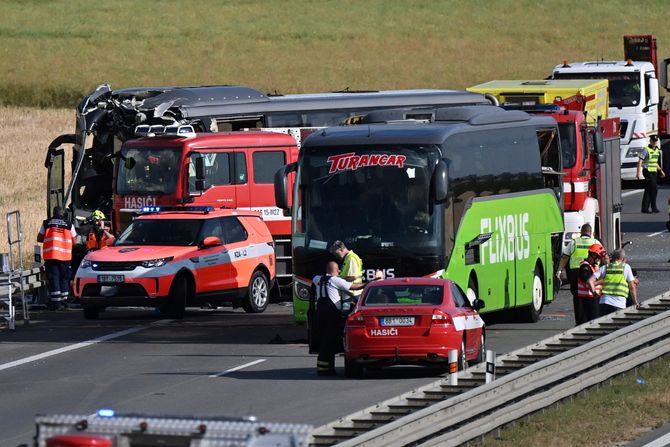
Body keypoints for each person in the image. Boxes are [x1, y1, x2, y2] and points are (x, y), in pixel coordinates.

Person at [312, 261, 367, 376]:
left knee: (324, 340)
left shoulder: (317, 279)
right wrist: (369, 283)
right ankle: (325, 369)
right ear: (336, 271)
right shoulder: (335, 280)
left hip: (320, 314)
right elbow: (354, 287)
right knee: (330, 340)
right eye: (338, 270)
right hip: (332, 315)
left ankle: (325, 367)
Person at [557, 223, 598, 325]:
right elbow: (603, 256)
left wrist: (559, 270)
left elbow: (565, 257)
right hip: (591, 272)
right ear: (591, 233)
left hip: (575, 273)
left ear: (581, 232)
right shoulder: (595, 242)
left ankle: (579, 322)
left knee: (578, 297)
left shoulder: (574, 242)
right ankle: (591, 320)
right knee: (591, 297)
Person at [37, 206, 77, 309]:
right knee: (64, 278)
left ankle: (56, 303)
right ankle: (64, 301)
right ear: (63, 213)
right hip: (65, 256)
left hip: (51, 256)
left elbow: (40, 238)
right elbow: (75, 241)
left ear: (53, 213)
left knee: (54, 278)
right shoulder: (69, 224)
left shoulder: (46, 223)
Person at [589, 249, 639, 317]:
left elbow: (590, 281)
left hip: (604, 302)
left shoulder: (605, 267)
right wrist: (635, 302)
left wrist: (595, 294)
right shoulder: (625, 267)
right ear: (623, 258)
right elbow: (632, 287)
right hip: (618, 303)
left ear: (612, 257)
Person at [575, 243, 607, 324]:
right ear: (593, 255)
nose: (599, 259)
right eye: (598, 257)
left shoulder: (593, 266)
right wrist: (602, 280)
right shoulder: (585, 267)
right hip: (586, 301)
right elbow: (587, 283)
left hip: (592, 299)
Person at [636, 135, 665, 213]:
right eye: (653, 141)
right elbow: (640, 162)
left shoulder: (657, 151)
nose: (655, 142)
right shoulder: (646, 150)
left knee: (649, 189)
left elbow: (655, 163)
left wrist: (660, 171)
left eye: (656, 141)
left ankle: (644, 208)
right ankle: (654, 207)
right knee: (654, 188)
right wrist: (638, 173)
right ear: (650, 141)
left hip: (654, 172)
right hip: (647, 171)